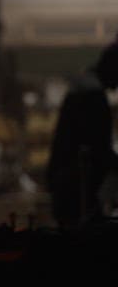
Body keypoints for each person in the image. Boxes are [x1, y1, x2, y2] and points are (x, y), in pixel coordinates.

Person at [46, 34, 118, 231]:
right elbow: (99, 147)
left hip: (67, 186)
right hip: (76, 191)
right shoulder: (93, 98)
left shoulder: (81, 92)